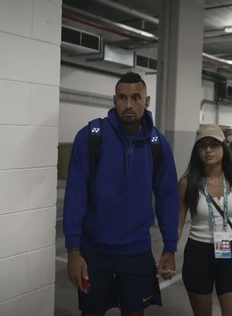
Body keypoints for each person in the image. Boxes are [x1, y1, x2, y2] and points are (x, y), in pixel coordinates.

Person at [63, 72, 180, 316]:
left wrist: (169, 247)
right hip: (93, 252)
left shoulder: (158, 144)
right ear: (114, 100)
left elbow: (168, 196)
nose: (128, 105)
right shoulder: (90, 138)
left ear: (146, 101)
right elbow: (75, 195)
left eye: (135, 97)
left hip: (136, 251)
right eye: (122, 98)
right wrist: (73, 251)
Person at [178, 123, 232, 316]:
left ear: (223, 147)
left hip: (229, 253)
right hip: (198, 254)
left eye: (214, 144)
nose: (208, 150)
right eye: (202, 146)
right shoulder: (187, 183)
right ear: (197, 151)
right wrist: (168, 254)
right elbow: (177, 226)